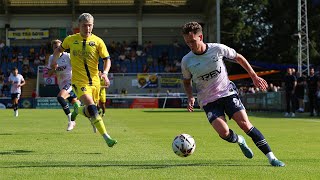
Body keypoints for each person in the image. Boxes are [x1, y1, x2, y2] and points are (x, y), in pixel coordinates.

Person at [180, 22, 285, 167]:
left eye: (193, 41)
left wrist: (253, 76)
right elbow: (186, 81)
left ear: (201, 37)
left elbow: (239, 57)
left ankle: (272, 157)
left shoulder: (217, 48)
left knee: (245, 124)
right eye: (187, 42)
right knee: (223, 132)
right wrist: (190, 96)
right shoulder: (186, 61)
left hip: (227, 93)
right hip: (208, 101)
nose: (190, 45)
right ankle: (239, 140)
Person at [51, 13, 117, 147]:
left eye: (90, 25)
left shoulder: (98, 41)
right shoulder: (71, 39)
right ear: (79, 26)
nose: (87, 28)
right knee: (92, 109)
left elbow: (107, 59)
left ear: (93, 26)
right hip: (79, 82)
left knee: (91, 111)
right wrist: (55, 62)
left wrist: (104, 73)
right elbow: (58, 50)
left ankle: (77, 110)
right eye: (84, 25)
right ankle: (106, 137)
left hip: (95, 82)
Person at [47, 39, 80, 131]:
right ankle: (93, 119)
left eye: (58, 47)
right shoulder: (51, 58)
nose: (57, 49)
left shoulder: (68, 56)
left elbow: (77, 66)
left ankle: (70, 121)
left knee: (60, 97)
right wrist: (53, 69)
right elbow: (48, 74)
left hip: (71, 82)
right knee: (77, 106)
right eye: (55, 47)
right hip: (62, 84)